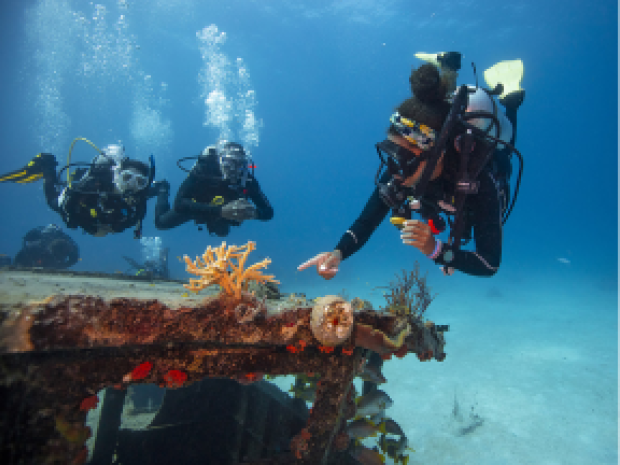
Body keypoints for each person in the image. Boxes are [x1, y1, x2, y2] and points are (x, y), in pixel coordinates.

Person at [299, 52, 524, 278]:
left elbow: (489, 263)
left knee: (505, 151)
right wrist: (338, 253)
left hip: (487, 165)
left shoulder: (479, 182)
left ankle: (511, 101)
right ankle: (448, 68)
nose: (395, 172)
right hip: (443, 188)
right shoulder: (400, 171)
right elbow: (366, 221)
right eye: (392, 154)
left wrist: (435, 250)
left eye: (406, 159)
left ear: (437, 155)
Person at [0, 140, 160, 238]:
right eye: (127, 178)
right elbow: (67, 208)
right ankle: (47, 169)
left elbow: (136, 215)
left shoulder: (141, 194)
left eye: (139, 182)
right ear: (118, 175)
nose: (132, 185)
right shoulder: (94, 184)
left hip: (99, 223)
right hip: (81, 210)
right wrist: (84, 220)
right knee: (53, 203)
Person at [154, 141, 274, 236]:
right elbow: (179, 203)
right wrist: (220, 211)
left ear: (245, 165)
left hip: (226, 213)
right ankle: (163, 188)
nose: (233, 169)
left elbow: (268, 212)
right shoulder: (204, 169)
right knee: (161, 223)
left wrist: (254, 213)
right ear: (220, 160)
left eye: (239, 164)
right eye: (228, 162)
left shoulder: (247, 180)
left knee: (222, 233)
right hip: (196, 207)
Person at [13, 224, 79, 269]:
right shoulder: (34, 247)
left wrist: (62, 265)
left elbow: (74, 257)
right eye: (47, 237)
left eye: (53, 237)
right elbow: (20, 258)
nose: (49, 240)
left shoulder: (64, 246)